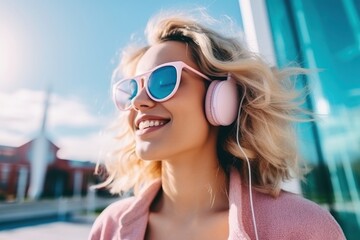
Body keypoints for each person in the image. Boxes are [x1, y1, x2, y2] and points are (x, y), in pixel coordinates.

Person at [89, 8, 345, 240]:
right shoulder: (109, 227)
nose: (139, 101)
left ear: (222, 98)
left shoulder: (304, 227)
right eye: (132, 89)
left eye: (163, 81)